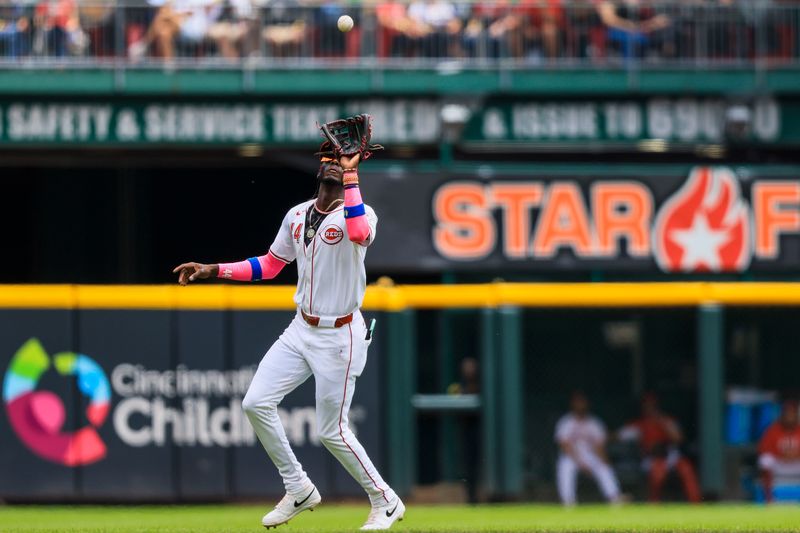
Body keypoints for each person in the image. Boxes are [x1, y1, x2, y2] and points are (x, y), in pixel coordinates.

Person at [172, 125, 405, 531]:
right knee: (254, 402)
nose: (336, 162)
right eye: (331, 157)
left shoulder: (361, 211)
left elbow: (359, 234)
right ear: (319, 165)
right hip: (302, 328)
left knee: (332, 431)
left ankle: (385, 500)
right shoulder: (297, 214)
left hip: (341, 333)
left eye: (344, 158)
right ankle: (298, 486)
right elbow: (271, 264)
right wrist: (215, 269)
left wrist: (351, 176)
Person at [618, 392, 701, 503]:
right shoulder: (638, 424)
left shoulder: (667, 420)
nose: (650, 408)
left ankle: (696, 504)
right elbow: (618, 436)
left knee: (686, 468)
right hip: (651, 457)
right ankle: (654, 504)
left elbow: (678, 439)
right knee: (658, 471)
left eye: (653, 406)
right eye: (647, 406)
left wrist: (661, 421)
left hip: (670, 455)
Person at [555, 391, 622, 506]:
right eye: (577, 402)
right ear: (572, 404)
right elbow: (564, 445)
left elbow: (599, 446)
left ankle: (615, 498)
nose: (580, 405)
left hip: (590, 455)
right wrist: (580, 462)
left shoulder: (595, 423)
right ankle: (568, 502)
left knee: (604, 466)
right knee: (565, 466)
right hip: (572, 455)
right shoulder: (566, 422)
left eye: (582, 402)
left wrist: (605, 461)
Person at [758, 398, 800, 503]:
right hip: (780, 464)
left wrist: (795, 455)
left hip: (797, 463)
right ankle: (769, 499)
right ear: (782, 415)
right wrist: (781, 455)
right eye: (787, 414)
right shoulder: (773, 430)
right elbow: (765, 451)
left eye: (792, 414)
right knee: (765, 460)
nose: (789, 417)